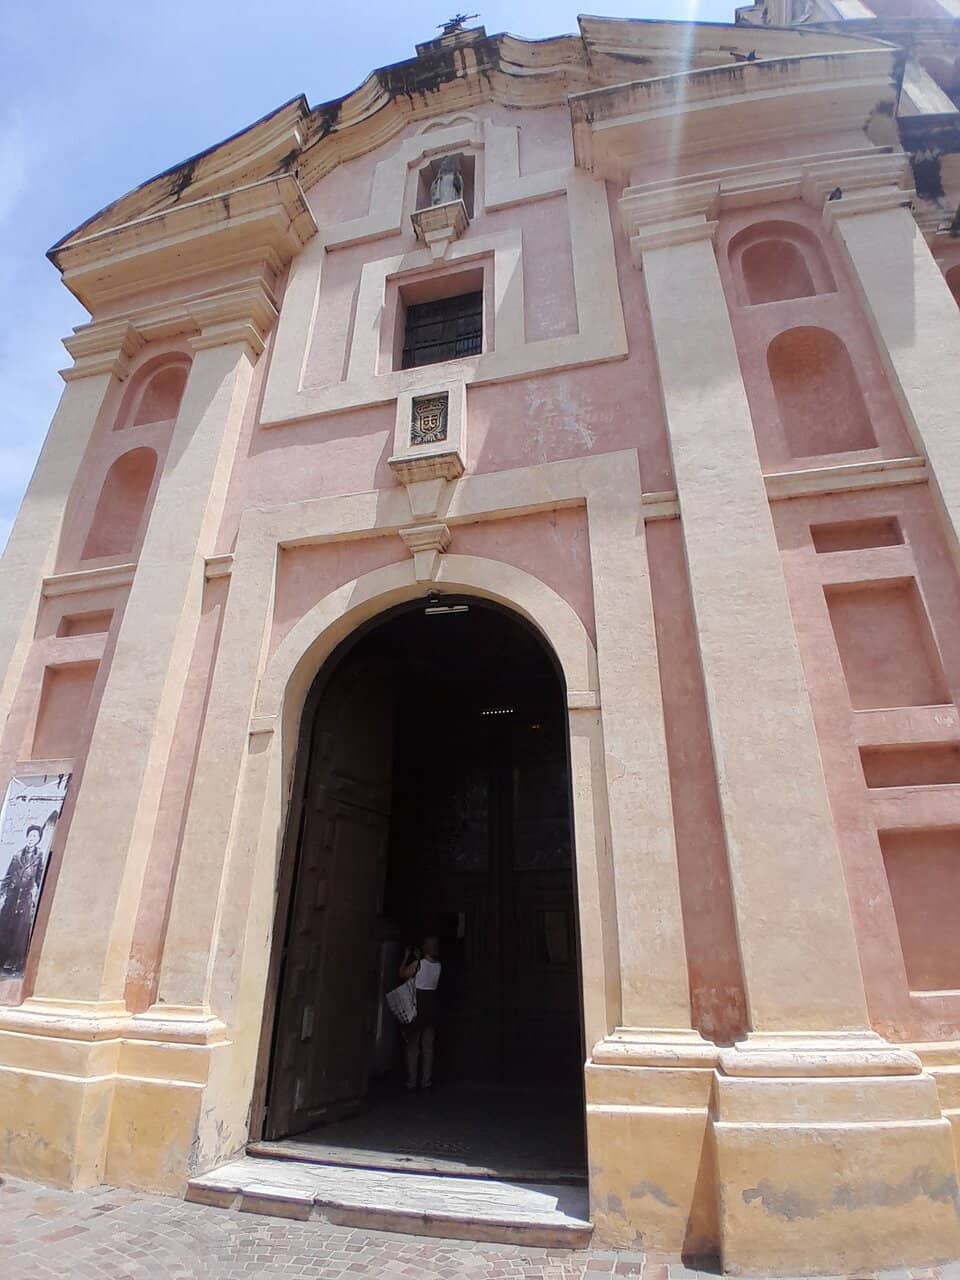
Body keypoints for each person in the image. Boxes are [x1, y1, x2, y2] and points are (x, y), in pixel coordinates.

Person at [0, 824, 45, 977]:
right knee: (5, 927)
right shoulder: (17, 855)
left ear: (38, 839)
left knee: (20, 932)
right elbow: (8, 876)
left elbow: (39, 878)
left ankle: (14, 963)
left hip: (25, 899)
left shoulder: (40, 857)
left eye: (35, 836)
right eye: (30, 836)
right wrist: (2, 892)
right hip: (12, 898)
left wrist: (38, 896)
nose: (32, 839)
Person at [399, 935, 441, 1090]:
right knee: (428, 1047)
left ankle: (411, 1081)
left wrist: (406, 957)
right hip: (431, 1008)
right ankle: (426, 1081)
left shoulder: (418, 964)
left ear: (425, 948)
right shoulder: (438, 966)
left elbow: (402, 974)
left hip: (417, 1008)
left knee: (413, 1047)